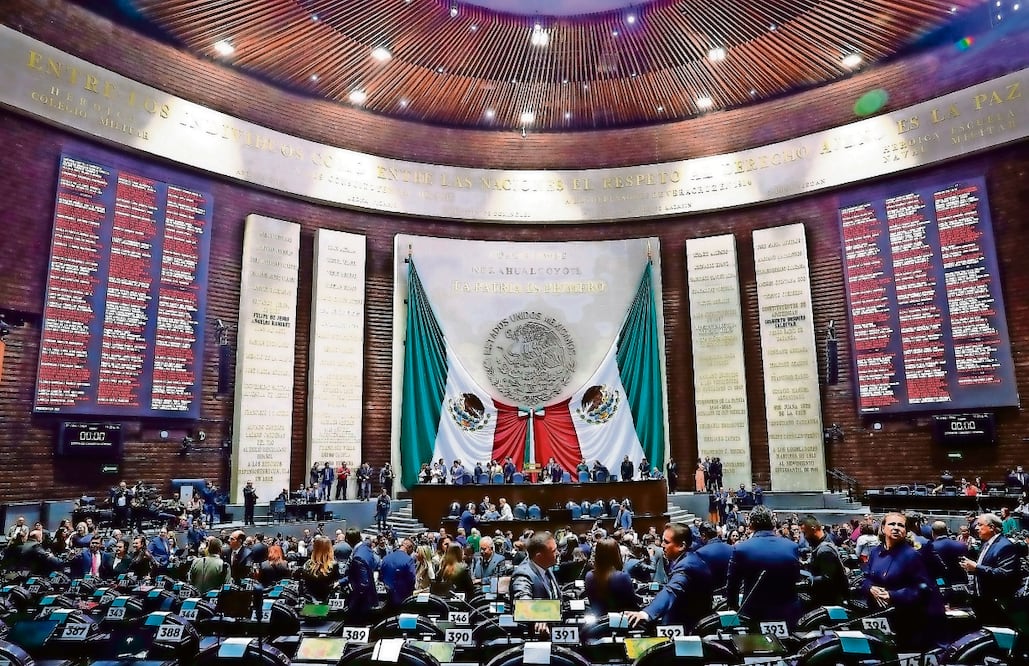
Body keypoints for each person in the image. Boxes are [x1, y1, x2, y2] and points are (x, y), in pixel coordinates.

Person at [861, 512, 946, 651]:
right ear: (883, 528)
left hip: (905, 620)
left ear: (905, 531)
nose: (896, 528)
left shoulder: (912, 555)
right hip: (878, 617)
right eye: (892, 524)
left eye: (900, 525)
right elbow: (865, 579)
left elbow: (923, 589)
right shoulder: (876, 552)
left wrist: (892, 595)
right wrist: (870, 588)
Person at [725, 506, 802, 628]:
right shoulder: (792, 546)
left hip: (753, 615)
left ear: (750, 525)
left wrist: (733, 608)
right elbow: (796, 579)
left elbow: (733, 585)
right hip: (788, 614)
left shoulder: (741, 549)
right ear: (773, 523)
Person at [626, 523, 712, 630]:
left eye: (666, 542)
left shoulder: (686, 566)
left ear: (681, 546)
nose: (662, 545)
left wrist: (646, 613)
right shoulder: (688, 558)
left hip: (687, 628)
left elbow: (672, 590)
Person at [959, 512, 1021, 626]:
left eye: (980, 525)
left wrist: (976, 567)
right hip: (982, 600)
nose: (976, 528)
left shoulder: (1005, 546)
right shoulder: (986, 544)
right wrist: (971, 568)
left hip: (996, 603)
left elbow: (1004, 574)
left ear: (992, 527)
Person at [799, 515, 849, 606]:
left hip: (829, 601)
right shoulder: (821, 544)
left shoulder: (825, 550)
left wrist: (808, 581)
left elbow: (827, 578)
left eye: (805, 533)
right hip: (825, 597)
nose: (804, 536)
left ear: (813, 529)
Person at [585, 537, 639, 615]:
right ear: (616, 554)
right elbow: (632, 606)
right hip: (622, 623)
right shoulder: (622, 577)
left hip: (598, 624)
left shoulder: (589, 576)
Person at [342, 529, 377, 619]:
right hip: (370, 596)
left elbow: (363, 584)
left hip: (361, 603)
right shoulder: (366, 548)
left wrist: (353, 604)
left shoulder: (358, 557)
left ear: (348, 540)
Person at [380, 538, 417, 609]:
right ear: (409, 547)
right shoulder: (408, 560)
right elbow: (412, 579)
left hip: (387, 598)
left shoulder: (386, 558)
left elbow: (381, 575)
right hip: (403, 599)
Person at [303, 535, 342, 601]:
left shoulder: (307, 564)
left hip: (310, 602)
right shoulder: (333, 565)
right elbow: (336, 582)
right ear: (329, 548)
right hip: (327, 602)